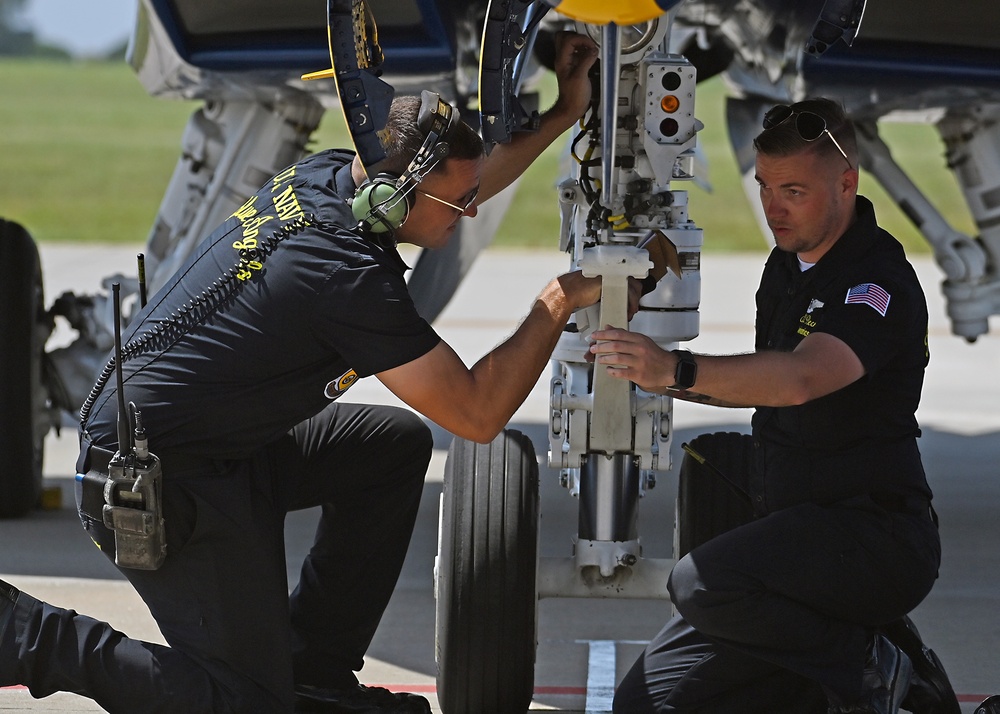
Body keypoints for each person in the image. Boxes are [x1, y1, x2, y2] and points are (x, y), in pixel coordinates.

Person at [0, 32, 622, 714]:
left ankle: (312, 668)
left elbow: (456, 182)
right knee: (243, 706)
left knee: (391, 448)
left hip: (217, 446)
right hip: (157, 480)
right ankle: (24, 633)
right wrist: (556, 302)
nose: (472, 212)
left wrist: (564, 114)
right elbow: (476, 414)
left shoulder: (334, 176)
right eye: (458, 205)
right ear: (393, 200)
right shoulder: (347, 280)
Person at [590, 98, 953, 713]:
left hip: (872, 537)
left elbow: (802, 379)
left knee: (700, 581)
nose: (772, 207)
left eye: (793, 190)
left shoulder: (877, 279)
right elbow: (761, 388)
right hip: (793, 548)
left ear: (846, 184)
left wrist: (675, 366)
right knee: (646, 704)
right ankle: (837, 670)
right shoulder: (786, 268)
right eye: (763, 187)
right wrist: (655, 377)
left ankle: (879, 669)